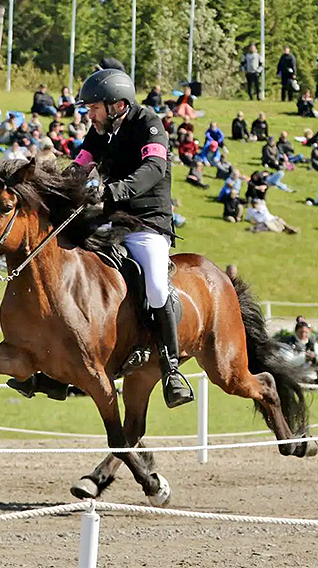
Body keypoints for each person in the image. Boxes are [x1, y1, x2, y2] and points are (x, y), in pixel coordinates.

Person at [10, 68, 194, 409]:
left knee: (155, 284)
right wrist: (53, 192)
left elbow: (154, 168)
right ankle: (58, 370)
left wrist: (112, 192)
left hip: (148, 222)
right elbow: (79, 167)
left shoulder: (148, 123)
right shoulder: (99, 132)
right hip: (111, 217)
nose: (88, 114)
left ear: (118, 105)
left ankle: (171, 369)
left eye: (94, 107)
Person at [278, 320, 318, 385]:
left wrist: (314, 358)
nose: (303, 335)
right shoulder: (287, 343)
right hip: (294, 376)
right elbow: (288, 362)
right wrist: (304, 358)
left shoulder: (312, 344)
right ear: (296, 332)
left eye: (306, 332)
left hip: (311, 376)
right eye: (301, 332)